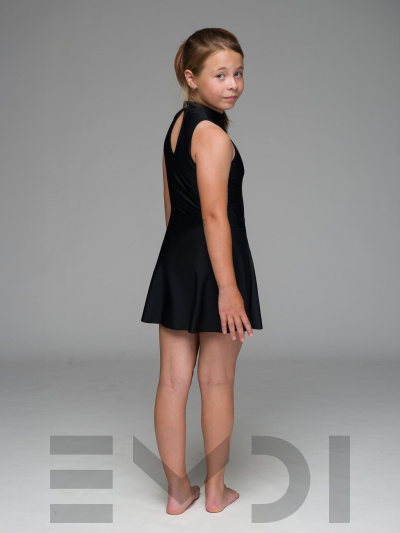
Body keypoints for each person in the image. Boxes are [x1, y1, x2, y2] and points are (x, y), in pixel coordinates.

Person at [141, 28, 263, 514]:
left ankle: (178, 494)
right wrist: (227, 287)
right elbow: (215, 216)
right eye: (220, 75)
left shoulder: (177, 127)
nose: (232, 84)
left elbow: (171, 208)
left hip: (178, 257)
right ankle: (215, 491)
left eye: (238, 73)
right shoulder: (212, 135)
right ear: (191, 78)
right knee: (216, 383)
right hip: (217, 264)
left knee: (171, 382)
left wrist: (180, 266)